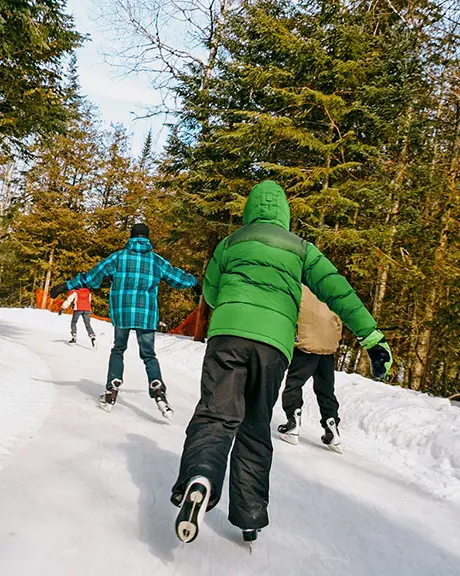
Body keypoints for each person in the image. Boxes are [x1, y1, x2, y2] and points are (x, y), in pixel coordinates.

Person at [171, 180, 392, 545]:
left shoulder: (230, 243)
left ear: (249, 210)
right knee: (255, 426)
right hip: (272, 347)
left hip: (228, 337)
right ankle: (249, 516)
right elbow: (339, 291)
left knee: (215, 415)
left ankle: (201, 476)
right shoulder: (303, 250)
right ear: (285, 214)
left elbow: (210, 293)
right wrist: (372, 338)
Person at [50, 223, 199, 418]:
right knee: (148, 355)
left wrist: (65, 286)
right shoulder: (156, 260)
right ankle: (158, 389)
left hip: (122, 313)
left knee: (118, 349)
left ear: (131, 237)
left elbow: (92, 276)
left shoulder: (118, 257)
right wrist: (195, 283)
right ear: (147, 238)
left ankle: (112, 388)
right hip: (146, 315)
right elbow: (177, 277)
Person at [278, 285, 343, 452]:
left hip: (306, 346)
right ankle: (332, 428)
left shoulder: (297, 287)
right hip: (327, 347)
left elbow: (288, 312)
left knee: (294, 383)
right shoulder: (329, 288)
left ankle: (293, 422)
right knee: (326, 389)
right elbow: (339, 318)